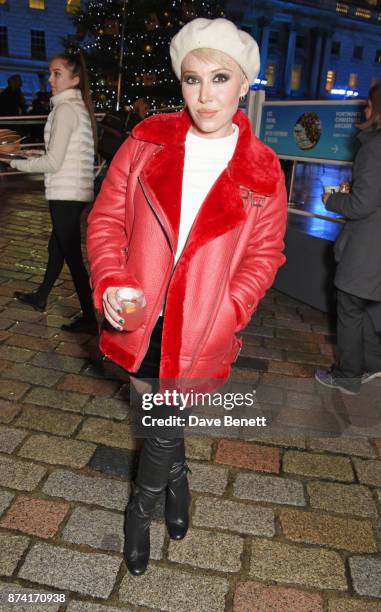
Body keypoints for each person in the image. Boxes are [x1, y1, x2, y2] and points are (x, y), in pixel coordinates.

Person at [86, 17, 287, 576]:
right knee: (157, 423)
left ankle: (138, 513)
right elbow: (105, 222)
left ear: (244, 84)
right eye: (192, 79)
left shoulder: (263, 169)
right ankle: (179, 486)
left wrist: (232, 308)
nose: (205, 95)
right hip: (138, 317)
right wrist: (109, 281)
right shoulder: (147, 141)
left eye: (220, 78)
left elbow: (264, 255)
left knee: (162, 423)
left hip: (201, 327)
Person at [6, 53, 98, 333]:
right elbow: (62, 155)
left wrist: (11, 160)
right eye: (51, 73)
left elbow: (53, 162)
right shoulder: (74, 107)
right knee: (56, 246)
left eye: (57, 73)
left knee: (72, 256)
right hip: (74, 190)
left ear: (74, 79)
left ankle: (90, 320)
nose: (50, 79)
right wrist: (28, 153)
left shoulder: (65, 110)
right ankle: (41, 296)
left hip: (66, 193)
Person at [316, 82, 381, 395]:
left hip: (367, 249)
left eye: (368, 105)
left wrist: (331, 200)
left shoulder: (374, 147)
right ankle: (372, 364)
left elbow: (361, 206)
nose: (365, 111)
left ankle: (347, 377)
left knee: (350, 309)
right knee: (368, 308)